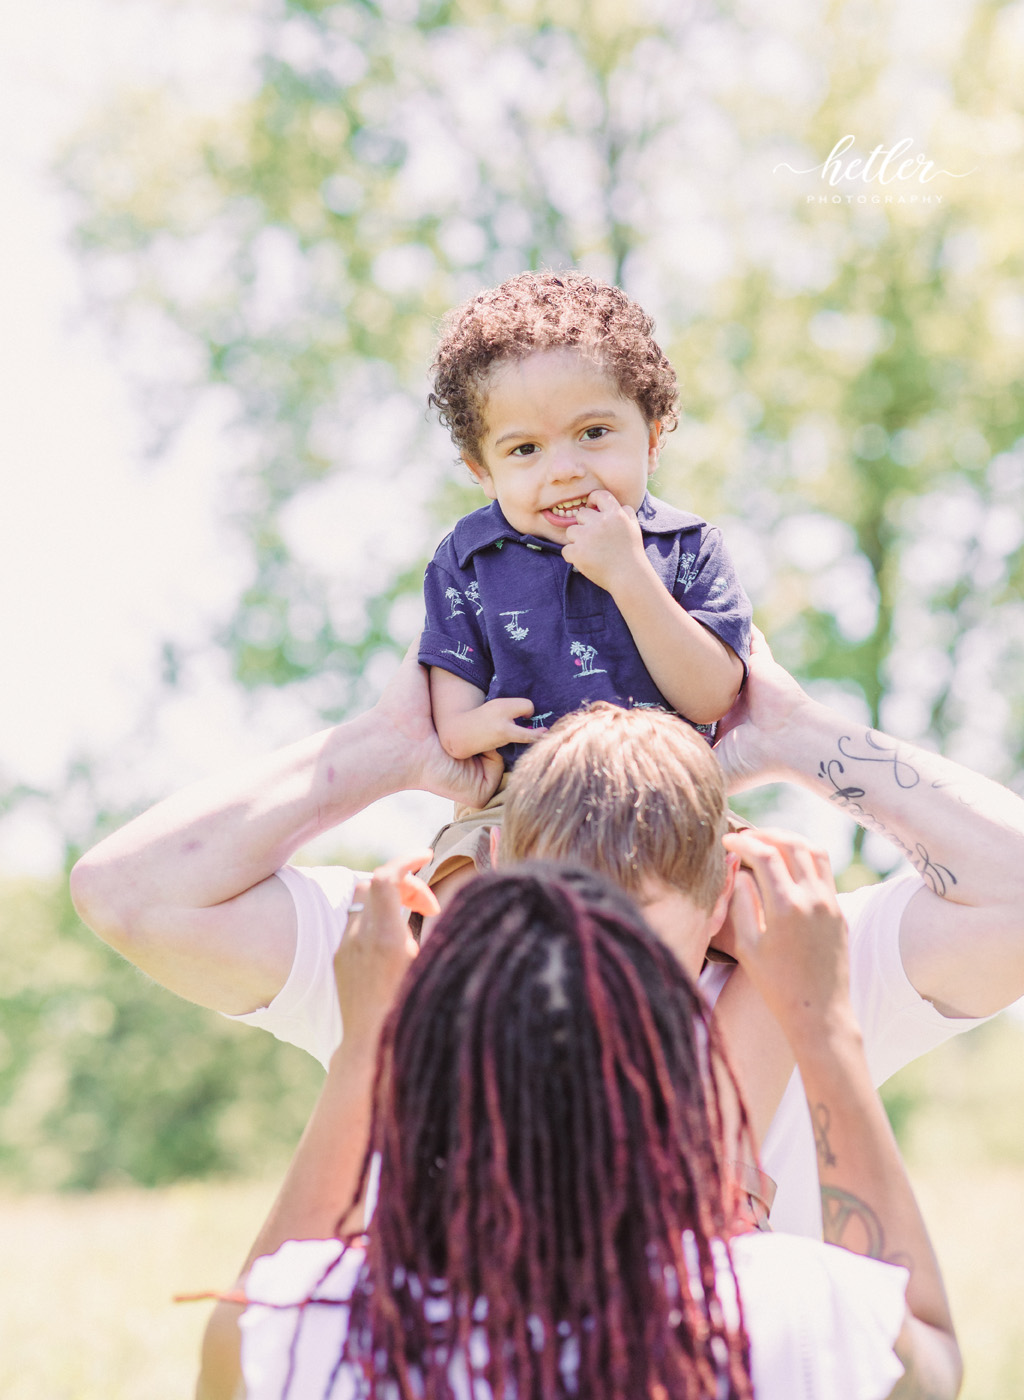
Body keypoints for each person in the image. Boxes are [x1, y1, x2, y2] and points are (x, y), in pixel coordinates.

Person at [70, 635, 1024, 1233]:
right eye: (545, 894)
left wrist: (794, 735)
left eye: (628, 908)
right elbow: (129, 894)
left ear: (721, 892)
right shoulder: (411, 970)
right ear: (479, 879)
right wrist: (385, 750)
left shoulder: (807, 975)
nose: (574, 942)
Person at [196, 846, 961, 1400]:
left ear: (433, 1082)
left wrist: (366, 1046)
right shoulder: (786, 1318)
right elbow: (931, 1352)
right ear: (675, 1075)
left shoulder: (321, 1336)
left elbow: (255, 1319)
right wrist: (823, 1025)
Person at [417, 270, 751, 894]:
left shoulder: (685, 545)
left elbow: (710, 697)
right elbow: (453, 720)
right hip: (516, 806)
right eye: (524, 451)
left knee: (770, 898)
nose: (565, 471)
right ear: (481, 471)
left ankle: (712, 997)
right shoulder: (468, 559)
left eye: (594, 434)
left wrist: (628, 573)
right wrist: (479, 728)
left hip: (671, 801)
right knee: (446, 899)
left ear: (651, 440)